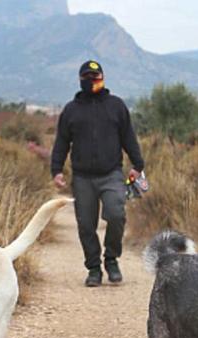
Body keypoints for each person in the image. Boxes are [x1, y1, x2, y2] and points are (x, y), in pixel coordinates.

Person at [50, 60, 145, 287]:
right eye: (90, 78)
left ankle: (111, 259)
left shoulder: (116, 106)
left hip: (111, 173)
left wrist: (137, 164)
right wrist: (57, 170)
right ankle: (94, 268)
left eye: (97, 77)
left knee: (116, 214)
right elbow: (61, 142)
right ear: (81, 80)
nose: (94, 82)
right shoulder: (71, 110)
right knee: (85, 225)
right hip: (82, 177)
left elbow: (128, 137)